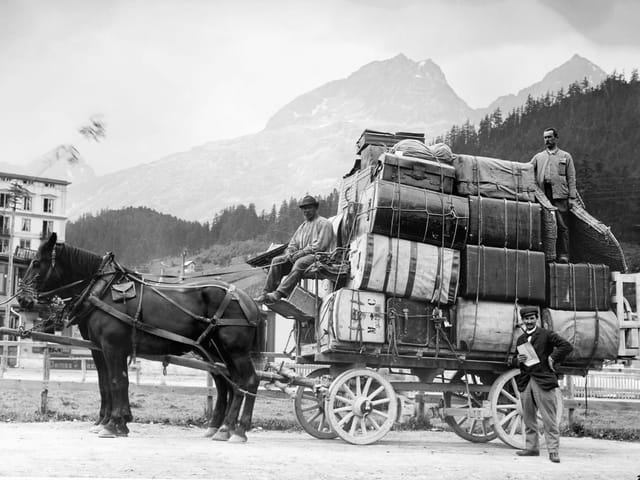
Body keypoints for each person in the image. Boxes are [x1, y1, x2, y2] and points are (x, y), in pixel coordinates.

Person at [514, 306, 573, 463]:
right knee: (528, 418)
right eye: (526, 319)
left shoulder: (546, 335)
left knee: (549, 418)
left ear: (537, 319)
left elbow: (566, 346)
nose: (529, 321)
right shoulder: (520, 339)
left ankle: (553, 451)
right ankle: (531, 448)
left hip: (543, 381)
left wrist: (552, 358)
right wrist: (516, 360)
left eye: (532, 318)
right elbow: (513, 359)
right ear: (523, 320)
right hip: (526, 381)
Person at [254, 195, 334, 304]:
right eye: (304, 209)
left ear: (315, 208)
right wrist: (290, 252)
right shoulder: (302, 227)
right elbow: (293, 243)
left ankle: (279, 293)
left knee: (300, 262)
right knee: (277, 261)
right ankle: (267, 293)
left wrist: (301, 253)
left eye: (309, 208)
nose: (306, 211)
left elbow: (320, 246)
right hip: (301, 257)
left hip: (319, 257)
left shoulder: (324, 223)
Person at [530, 127, 578, 263]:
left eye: (549, 137)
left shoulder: (565, 156)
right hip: (544, 196)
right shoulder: (539, 157)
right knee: (546, 225)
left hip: (560, 195)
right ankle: (548, 255)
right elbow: (527, 169)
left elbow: (571, 177)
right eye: (545, 137)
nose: (547, 140)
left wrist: (572, 197)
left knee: (562, 226)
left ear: (556, 138)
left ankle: (564, 254)